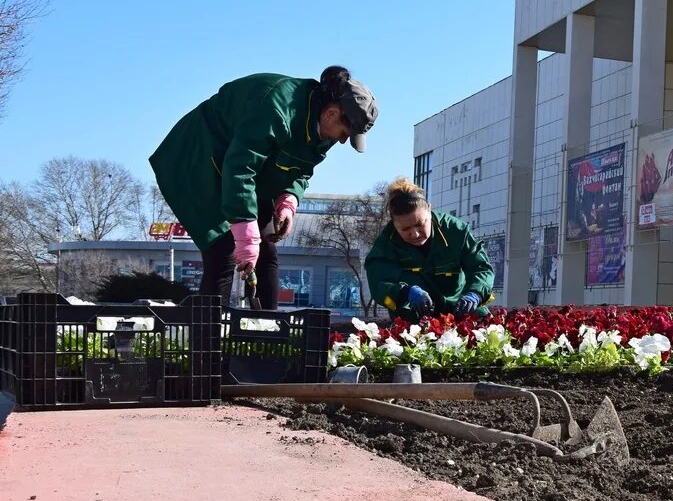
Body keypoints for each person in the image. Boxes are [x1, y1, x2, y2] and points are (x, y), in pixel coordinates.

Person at [150, 66, 377, 309]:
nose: (342, 141)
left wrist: (288, 200)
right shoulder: (276, 109)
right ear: (332, 113)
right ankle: (207, 344)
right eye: (345, 133)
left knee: (267, 251)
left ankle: (267, 337)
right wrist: (246, 237)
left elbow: (301, 169)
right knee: (224, 252)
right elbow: (240, 168)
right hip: (198, 160)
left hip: (249, 175)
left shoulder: (324, 130)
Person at [364, 178, 494, 322]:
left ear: (430, 210)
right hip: (414, 322)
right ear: (394, 224)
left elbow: (481, 268)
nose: (415, 234)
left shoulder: (456, 231)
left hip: (462, 315)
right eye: (405, 229)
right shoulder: (386, 243)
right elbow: (379, 284)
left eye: (420, 224)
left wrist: (475, 293)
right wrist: (406, 292)